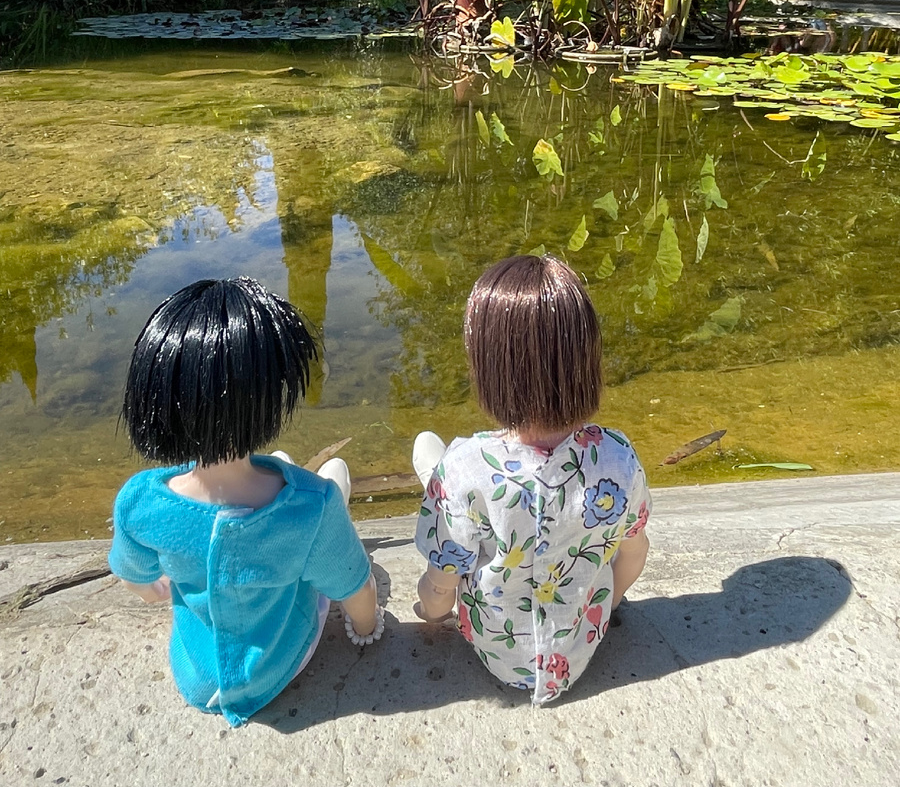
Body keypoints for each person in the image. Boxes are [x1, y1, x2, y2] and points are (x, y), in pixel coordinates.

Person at [109, 277, 382, 728]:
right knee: (322, 505)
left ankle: (277, 469)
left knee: (299, 495)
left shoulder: (140, 502)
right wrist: (368, 629)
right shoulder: (310, 509)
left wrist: (158, 590)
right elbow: (357, 591)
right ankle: (306, 482)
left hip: (196, 672)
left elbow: (134, 576)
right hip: (274, 666)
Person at [412, 255, 650, 704]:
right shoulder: (618, 459)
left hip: (497, 654)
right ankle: (438, 481)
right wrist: (603, 607)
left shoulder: (466, 466)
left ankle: (434, 481)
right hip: (578, 651)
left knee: (453, 474)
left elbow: (441, 583)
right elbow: (634, 554)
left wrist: (428, 612)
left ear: (490, 372)